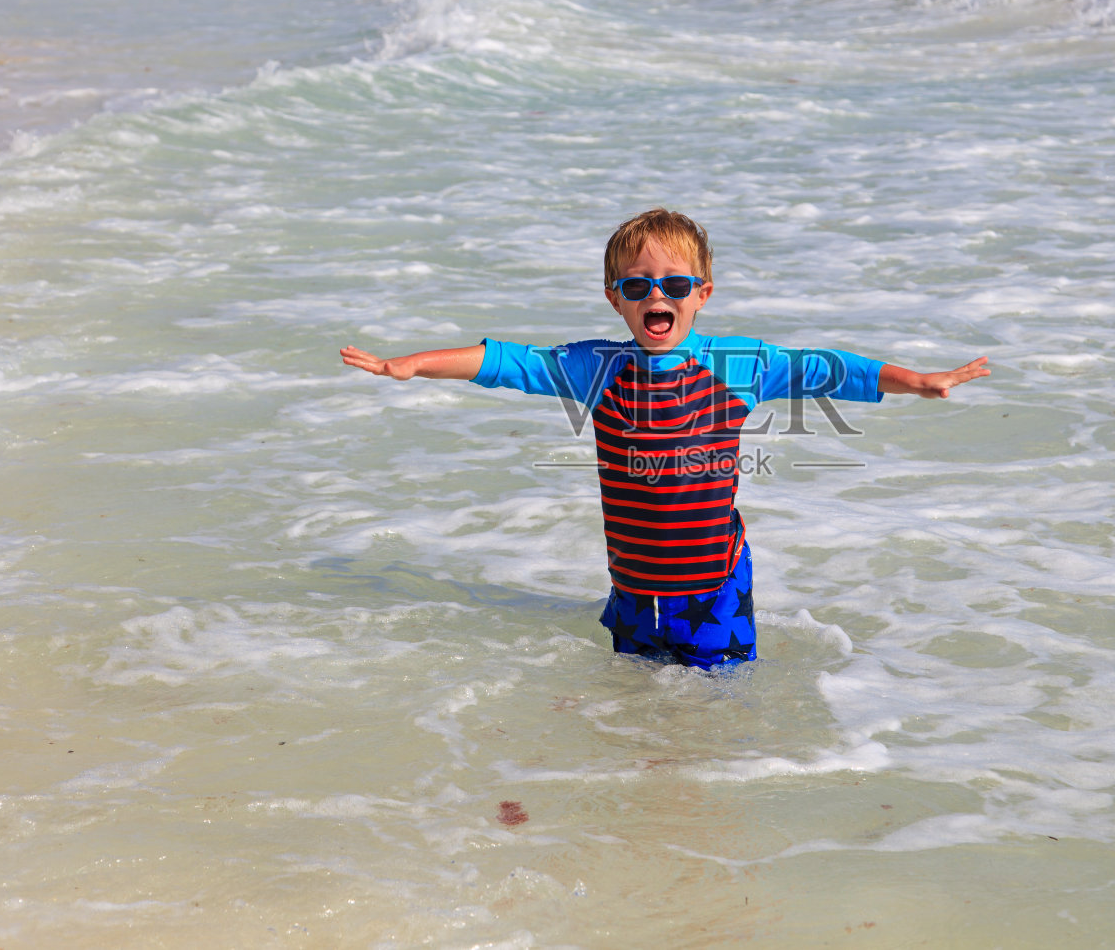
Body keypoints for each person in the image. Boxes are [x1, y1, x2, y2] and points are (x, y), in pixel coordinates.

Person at [341, 208, 989, 669]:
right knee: (637, 712)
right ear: (615, 298)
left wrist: (917, 380)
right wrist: (413, 364)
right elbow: (507, 361)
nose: (658, 294)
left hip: (715, 583)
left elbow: (830, 368)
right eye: (639, 285)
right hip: (633, 584)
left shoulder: (740, 364)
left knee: (715, 712)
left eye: (676, 284)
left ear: (701, 293)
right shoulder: (596, 367)